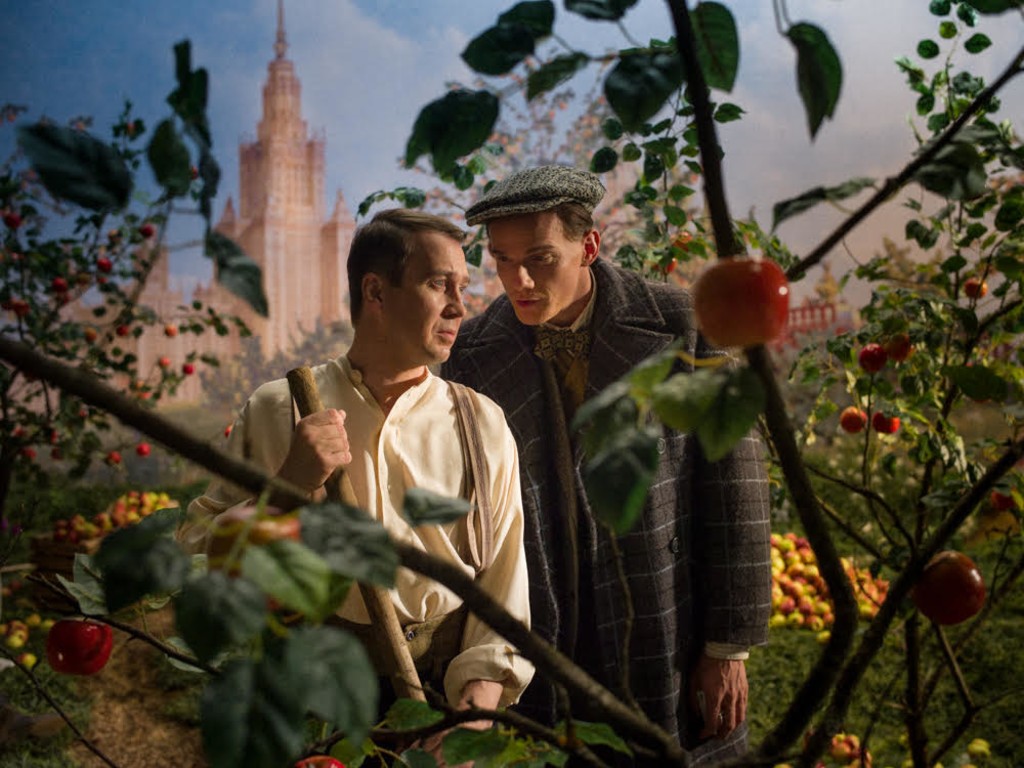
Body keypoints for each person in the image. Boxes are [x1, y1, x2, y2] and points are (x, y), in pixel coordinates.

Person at [442, 166, 772, 765]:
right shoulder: (472, 351)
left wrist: (727, 647)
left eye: (540, 259)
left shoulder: (684, 324)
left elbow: (737, 486)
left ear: (589, 246)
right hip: (541, 628)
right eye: (502, 260)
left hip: (663, 611)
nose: (519, 281)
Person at [179, 208, 534, 719]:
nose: (460, 307)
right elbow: (196, 555)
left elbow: (503, 591)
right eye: (439, 284)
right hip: (311, 701)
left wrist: (472, 720)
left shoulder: (482, 423)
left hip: (448, 701)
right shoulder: (278, 409)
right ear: (376, 292)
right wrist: (288, 489)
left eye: (462, 287)